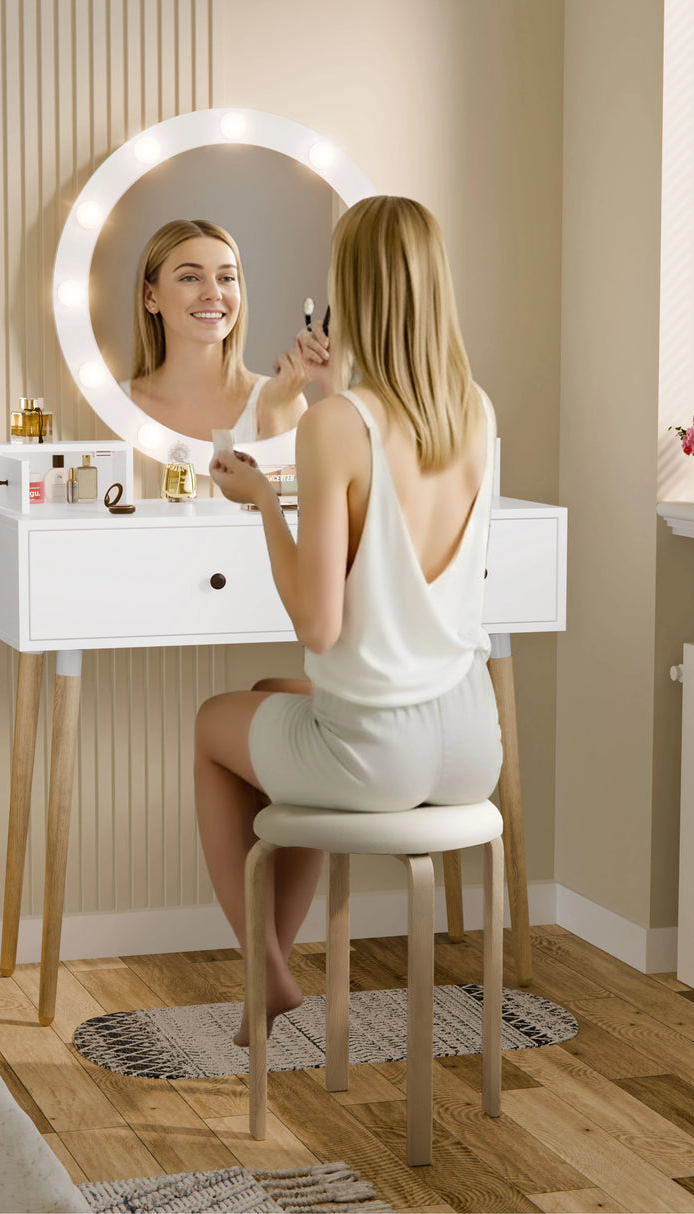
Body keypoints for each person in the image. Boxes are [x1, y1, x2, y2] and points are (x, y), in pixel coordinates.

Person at [195, 195, 504, 1046]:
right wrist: (331, 401)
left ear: (353, 294)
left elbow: (320, 627)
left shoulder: (339, 427)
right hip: (472, 742)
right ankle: (279, 967)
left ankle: (263, 968)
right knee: (273, 694)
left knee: (213, 725)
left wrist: (263, 500)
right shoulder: (474, 411)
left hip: (379, 756)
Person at [122, 219, 308, 443]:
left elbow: (288, 480)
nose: (214, 293)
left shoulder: (283, 400)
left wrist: (275, 418)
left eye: (226, 278)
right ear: (150, 296)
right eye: (190, 277)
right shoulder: (115, 404)